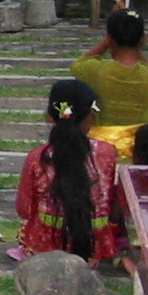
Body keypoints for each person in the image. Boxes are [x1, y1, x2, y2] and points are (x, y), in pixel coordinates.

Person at [15, 80, 121, 267]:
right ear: (90, 116)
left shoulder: (37, 157)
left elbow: (24, 209)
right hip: (95, 246)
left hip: (46, 246)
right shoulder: (107, 153)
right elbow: (111, 203)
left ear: (50, 116)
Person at [72, 9, 148, 160]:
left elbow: (78, 64)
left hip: (99, 148)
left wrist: (107, 42)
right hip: (139, 148)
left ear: (110, 39)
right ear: (143, 39)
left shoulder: (96, 71)